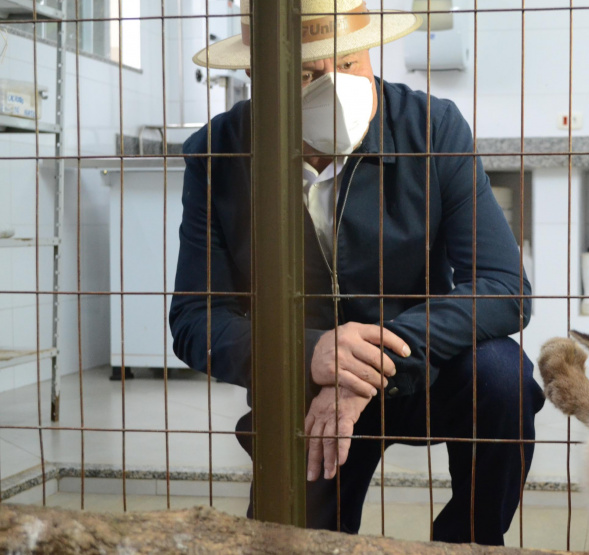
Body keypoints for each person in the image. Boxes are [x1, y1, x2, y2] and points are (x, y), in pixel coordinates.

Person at [169, 0, 544, 545]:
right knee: (292, 541)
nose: (338, 86)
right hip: (305, 389)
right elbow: (194, 318)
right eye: (308, 72)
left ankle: (470, 540)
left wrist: (368, 363)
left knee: (502, 378)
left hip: (426, 370)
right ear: (258, 75)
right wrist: (310, 353)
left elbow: (504, 288)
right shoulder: (218, 152)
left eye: (350, 63)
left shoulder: (432, 128)